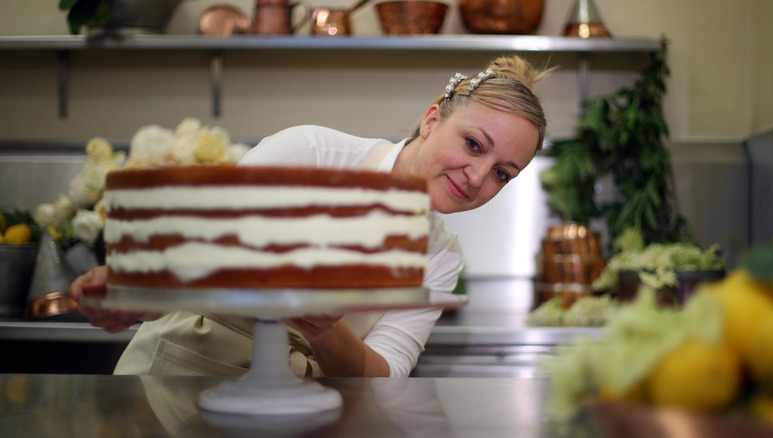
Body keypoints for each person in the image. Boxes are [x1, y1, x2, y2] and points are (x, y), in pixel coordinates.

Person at [71, 54, 551, 378]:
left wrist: (326, 330)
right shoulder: (311, 151)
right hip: (177, 378)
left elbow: (385, 372)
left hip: (299, 410)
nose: (477, 176)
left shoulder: (441, 254)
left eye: (502, 173)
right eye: (473, 144)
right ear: (431, 120)